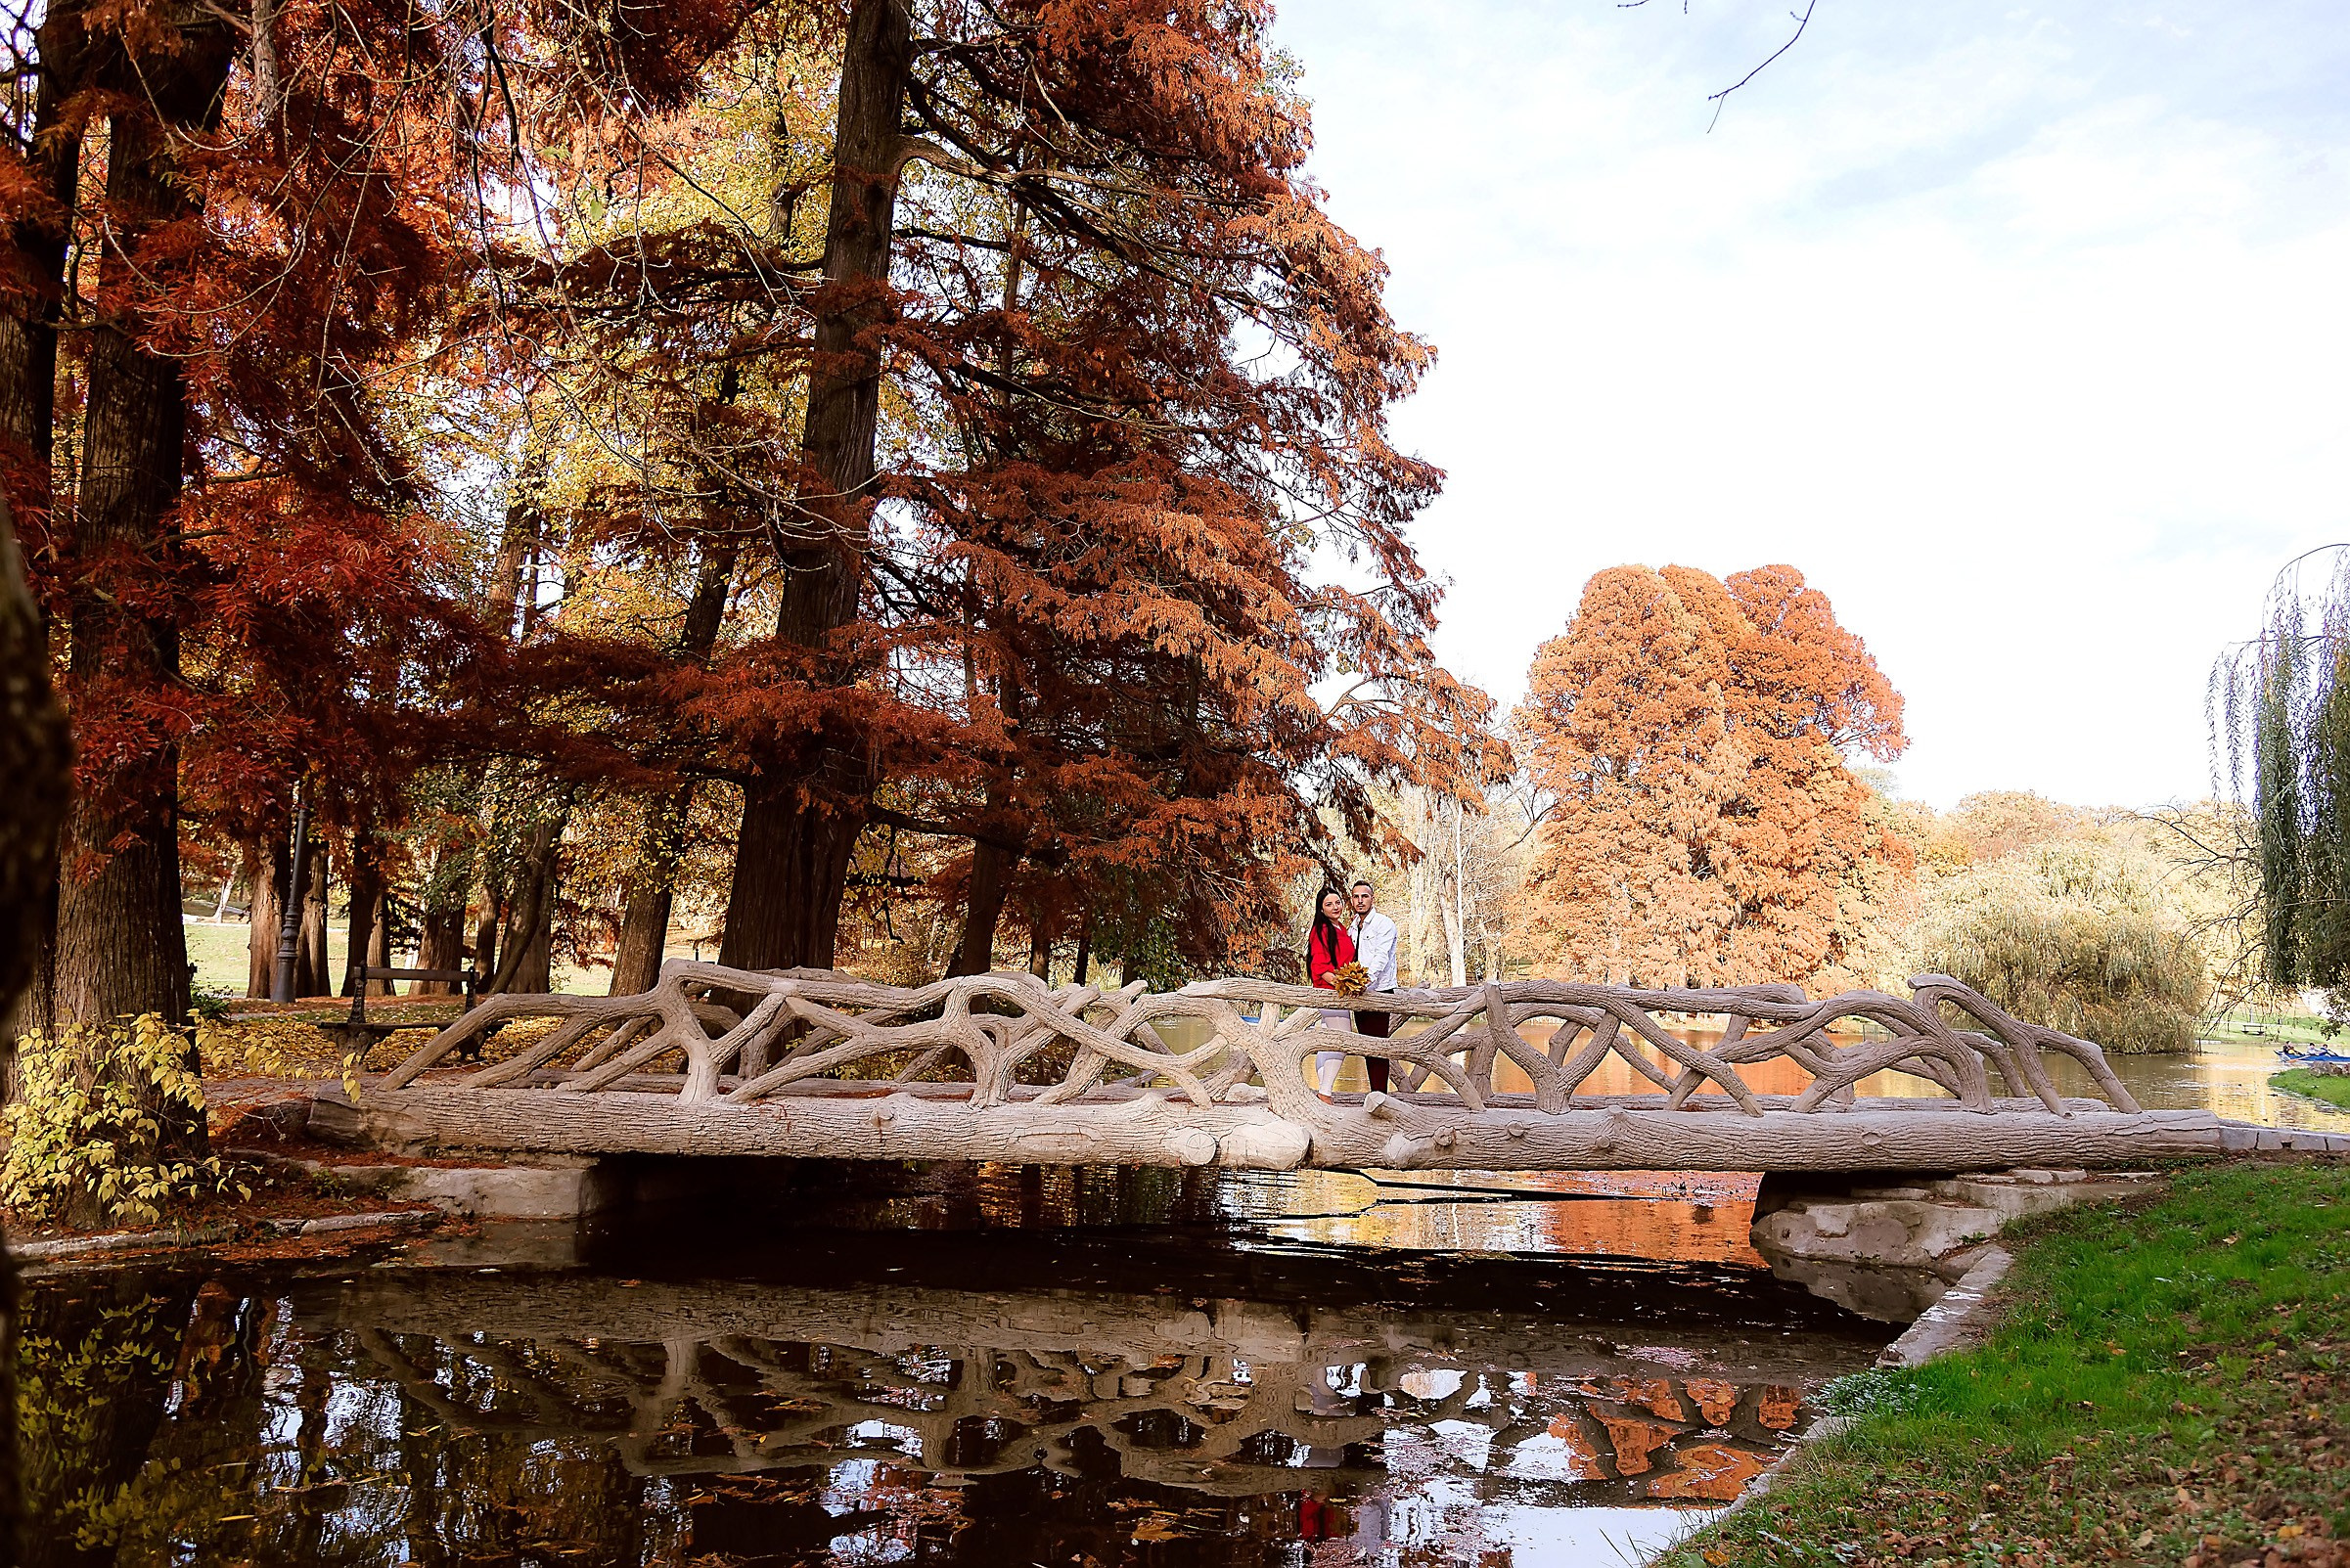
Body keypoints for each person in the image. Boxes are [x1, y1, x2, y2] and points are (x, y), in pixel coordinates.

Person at [1348, 878, 1397, 1094]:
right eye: (1356, 897)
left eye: (1364, 896)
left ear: (1372, 899)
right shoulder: (1352, 926)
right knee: (1366, 1046)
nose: (1360, 901)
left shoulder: (1384, 924)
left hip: (1378, 991)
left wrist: (1365, 982)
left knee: (1378, 1046)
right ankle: (1374, 1093)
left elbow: (1381, 958)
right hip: (1357, 993)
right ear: (1352, 900)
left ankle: (1380, 1094)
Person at [1306, 886, 1357, 1094]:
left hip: (1339, 991)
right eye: (1329, 904)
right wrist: (1343, 985)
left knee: (1329, 1041)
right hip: (1329, 992)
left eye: (1337, 903)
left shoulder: (1341, 928)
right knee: (1343, 1040)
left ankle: (1323, 1091)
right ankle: (1325, 1093)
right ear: (1321, 909)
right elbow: (1320, 967)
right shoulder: (1321, 930)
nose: (1335, 907)